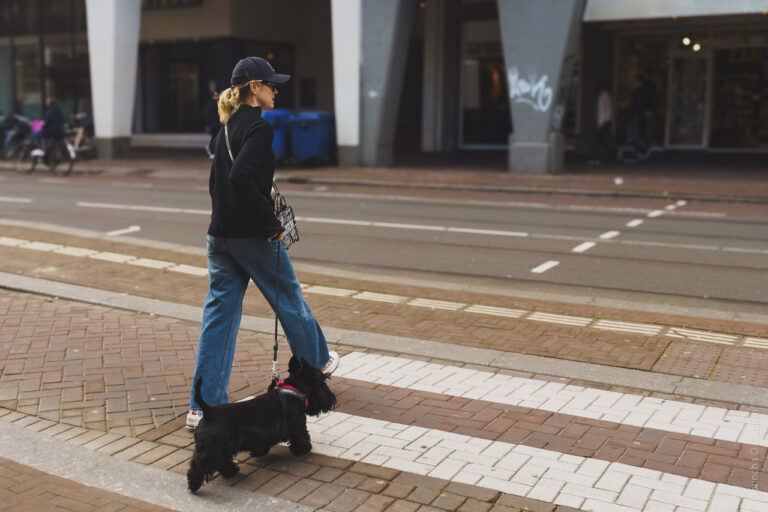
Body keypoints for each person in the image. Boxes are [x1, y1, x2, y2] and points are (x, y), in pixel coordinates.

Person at [187, 56, 339, 429]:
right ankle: (315, 377)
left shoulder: (223, 128)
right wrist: (269, 222)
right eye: (272, 85)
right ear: (254, 87)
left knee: (218, 318)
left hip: (218, 236)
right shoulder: (259, 129)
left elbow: (216, 184)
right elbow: (241, 177)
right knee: (290, 302)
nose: (277, 90)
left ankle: (201, 407)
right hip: (253, 237)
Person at [589, 80, 614, 165]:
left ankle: (597, 158)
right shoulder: (607, 95)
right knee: (604, 139)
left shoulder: (602, 96)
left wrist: (599, 123)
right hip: (607, 120)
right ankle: (610, 155)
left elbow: (601, 111)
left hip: (603, 121)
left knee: (598, 140)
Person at [40, 97, 65, 163]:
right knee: (54, 143)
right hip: (59, 130)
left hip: (52, 131)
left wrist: (42, 126)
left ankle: (45, 155)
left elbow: (47, 121)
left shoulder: (50, 110)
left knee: (41, 136)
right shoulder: (56, 108)